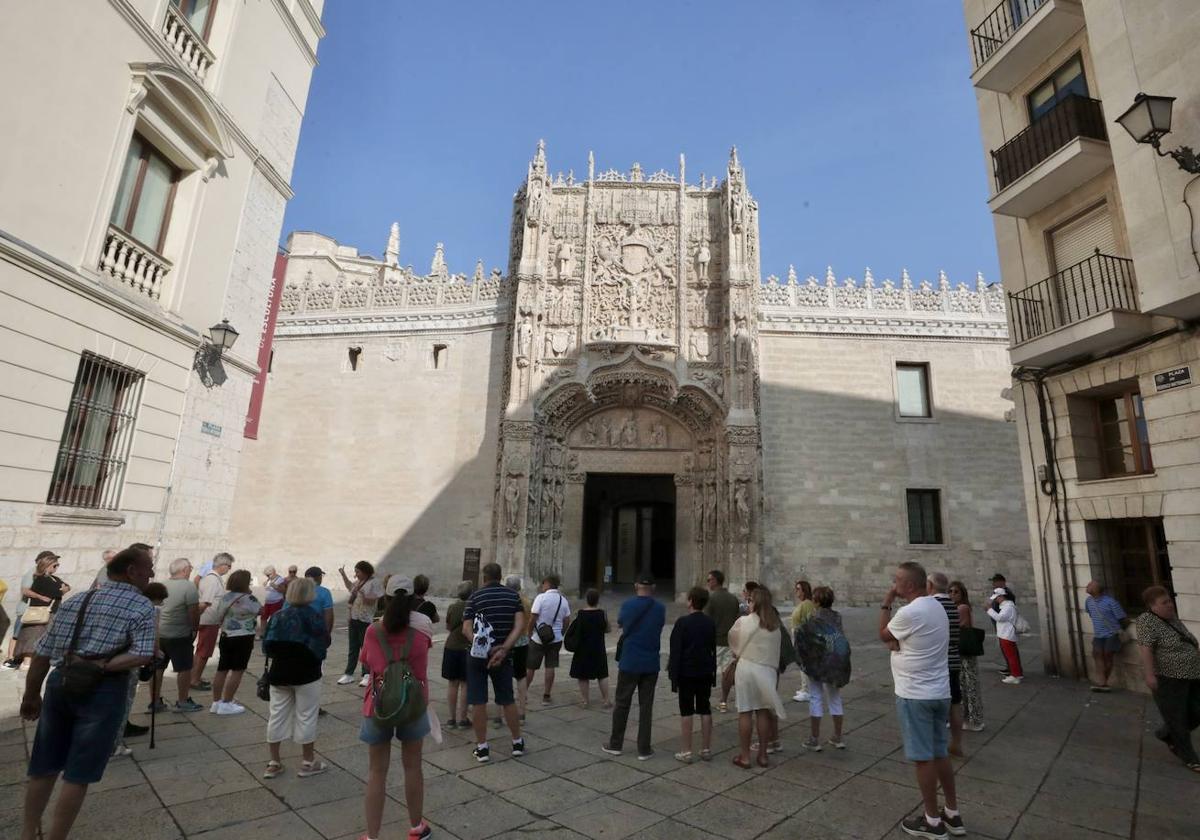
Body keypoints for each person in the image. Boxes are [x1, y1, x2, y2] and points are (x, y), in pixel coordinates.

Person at [20, 545, 155, 840]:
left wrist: (31, 694)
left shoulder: (77, 600)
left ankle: (28, 832)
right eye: (149, 569)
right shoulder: (141, 605)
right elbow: (143, 654)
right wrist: (102, 663)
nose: (152, 574)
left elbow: (43, 652)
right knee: (78, 773)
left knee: (44, 765)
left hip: (61, 681)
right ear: (132, 572)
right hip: (103, 690)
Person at [881, 561, 964, 838]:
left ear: (909, 585)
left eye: (897, 580)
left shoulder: (910, 611)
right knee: (940, 753)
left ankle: (931, 821)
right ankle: (952, 814)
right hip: (939, 692)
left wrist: (886, 603)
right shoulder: (937, 607)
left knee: (923, 759)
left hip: (915, 694)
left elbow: (884, 635)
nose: (894, 584)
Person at [359, 576, 435, 840]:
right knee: (413, 767)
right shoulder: (422, 634)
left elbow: (366, 662)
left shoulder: (373, 631)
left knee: (376, 771)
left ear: (386, 599)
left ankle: (372, 835)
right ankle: (416, 827)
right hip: (413, 705)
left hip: (378, 704)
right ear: (414, 599)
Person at [262, 577, 331, 779]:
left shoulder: (277, 616)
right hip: (307, 673)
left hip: (280, 672)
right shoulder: (314, 617)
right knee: (307, 716)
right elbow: (323, 644)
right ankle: (308, 763)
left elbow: (266, 646)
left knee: (276, 715)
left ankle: (274, 762)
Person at [463, 563, 527, 762]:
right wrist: (504, 648)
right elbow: (519, 625)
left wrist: (485, 647)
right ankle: (517, 742)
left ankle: (482, 748)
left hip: (478, 656)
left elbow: (466, 629)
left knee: (478, 701)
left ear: (484, 577)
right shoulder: (513, 596)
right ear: (500, 577)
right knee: (507, 699)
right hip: (503, 656)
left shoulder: (474, 597)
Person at [1136, 585, 1200, 773]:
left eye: (1169, 600)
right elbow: (1146, 649)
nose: (1170, 605)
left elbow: (1187, 641)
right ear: (1152, 606)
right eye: (1164, 603)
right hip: (1169, 677)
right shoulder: (1147, 621)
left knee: (1197, 711)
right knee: (1177, 717)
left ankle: (1166, 733)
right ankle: (1188, 756)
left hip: (1193, 674)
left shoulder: (1173, 619)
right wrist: (1149, 675)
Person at [604, 575, 666, 759]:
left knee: (622, 703)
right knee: (646, 706)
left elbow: (621, 623)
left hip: (630, 659)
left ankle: (616, 744)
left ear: (636, 586)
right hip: (650, 661)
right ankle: (644, 749)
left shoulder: (628, 605)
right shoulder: (660, 608)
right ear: (653, 587)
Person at [729, 586, 784, 769]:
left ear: (754, 602)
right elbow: (776, 653)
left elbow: (733, 643)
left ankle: (745, 756)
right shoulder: (774, 626)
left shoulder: (743, 621)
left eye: (750, 600)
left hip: (746, 669)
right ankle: (762, 755)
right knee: (763, 712)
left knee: (745, 712)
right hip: (766, 672)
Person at [796, 585, 849, 751]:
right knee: (835, 697)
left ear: (816, 601)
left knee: (816, 697)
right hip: (836, 662)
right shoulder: (837, 617)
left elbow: (804, 639)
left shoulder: (813, 620)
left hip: (818, 663)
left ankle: (814, 739)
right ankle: (838, 737)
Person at [668, 585, 716, 763]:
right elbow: (712, 647)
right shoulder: (709, 622)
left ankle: (687, 751)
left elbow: (676, 650)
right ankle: (705, 749)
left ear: (690, 601)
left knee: (686, 710)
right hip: (704, 670)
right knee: (705, 708)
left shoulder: (683, 623)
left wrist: (674, 675)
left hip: (687, 671)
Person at [210, 569, 262, 714]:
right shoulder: (249, 599)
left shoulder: (226, 597)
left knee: (222, 669)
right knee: (237, 670)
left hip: (226, 636)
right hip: (243, 637)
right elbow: (261, 611)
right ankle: (227, 702)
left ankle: (216, 702)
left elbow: (218, 614)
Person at [155, 558, 202, 713]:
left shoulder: (162, 585)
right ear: (184, 570)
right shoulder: (188, 587)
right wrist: (194, 629)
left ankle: (154, 701)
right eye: (190, 568)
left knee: (158, 668)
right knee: (184, 668)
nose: (191, 571)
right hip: (180, 634)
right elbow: (193, 611)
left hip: (160, 634)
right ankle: (182, 700)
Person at [12, 552, 69, 667]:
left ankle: (31, 662)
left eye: (58, 565)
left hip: (49, 612)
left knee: (41, 637)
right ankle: (26, 662)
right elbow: (56, 592)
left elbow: (67, 586)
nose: (57, 567)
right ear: (47, 566)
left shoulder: (53, 579)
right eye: (55, 565)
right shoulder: (41, 579)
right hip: (38, 612)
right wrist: (61, 590)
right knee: (32, 636)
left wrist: (63, 589)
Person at [928, 572, 963, 756]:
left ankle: (937, 745)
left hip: (937, 662)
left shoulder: (932, 606)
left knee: (935, 704)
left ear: (930, 585)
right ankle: (956, 743)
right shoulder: (954, 605)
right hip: (953, 660)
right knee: (955, 704)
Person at [337, 561, 383, 687]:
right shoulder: (359, 583)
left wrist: (362, 594)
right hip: (354, 618)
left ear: (365, 571)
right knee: (353, 647)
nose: (356, 574)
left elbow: (373, 601)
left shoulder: (374, 583)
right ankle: (349, 673)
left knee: (365, 648)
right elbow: (350, 588)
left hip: (366, 619)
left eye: (358, 571)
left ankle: (367, 674)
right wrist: (343, 575)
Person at [193, 553, 234, 691]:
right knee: (204, 652)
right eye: (228, 566)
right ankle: (195, 679)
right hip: (208, 620)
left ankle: (195, 676)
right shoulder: (212, 580)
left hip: (209, 619)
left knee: (202, 650)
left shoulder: (213, 579)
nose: (229, 569)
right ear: (222, 566)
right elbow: (206, 602)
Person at [528, 574, 570, 705]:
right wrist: (561, 633)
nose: (542, 585)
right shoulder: (563, 600)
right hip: (555, 638)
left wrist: (529, 633)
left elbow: (533, 617)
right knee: (550, 666)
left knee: (530, 667)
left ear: (547, 583)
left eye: (543, 583)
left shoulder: (541, 598)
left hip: (538, 637)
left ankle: (523, 692)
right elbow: (567, 620)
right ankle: (546, 695)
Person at [948, 581, 984, 732]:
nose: (952, 594)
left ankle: (973, 720)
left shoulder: (961, 608)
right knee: (963, 686)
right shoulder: (960, 607)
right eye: (950, 591)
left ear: (962, 593)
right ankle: (967, 719)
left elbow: (957, 626)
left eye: (956, 591)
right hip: (962, 652)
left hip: (963, 652)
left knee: (967, 686)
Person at [703, 569, 740, 713]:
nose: (707, 583)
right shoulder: (733, 598)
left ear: (715, 581)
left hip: (715, 641)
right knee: (727, 673)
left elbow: (706, 621)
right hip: (730, 641)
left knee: (707, 672)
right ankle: (723, 701)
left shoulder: (711, 599)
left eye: (708, 580)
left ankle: (703, 699)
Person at [568, 588, 611, 708]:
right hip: (598, 647)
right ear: (598, 600)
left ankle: (585, 701)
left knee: (582, 675)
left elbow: (575, 630)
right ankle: (606, 700)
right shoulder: (602, 613)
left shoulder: (580, 614)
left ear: (587, 599)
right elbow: (608, 629)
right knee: (602, 674)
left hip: (583, 648)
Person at [1085, 581, 1129, 692]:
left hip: (1112, 634)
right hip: (1098, 634)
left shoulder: (1111, 602)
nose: (1088, 586)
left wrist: (1119, 630)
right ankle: (1102, 682)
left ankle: (1103, 682)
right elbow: (1091, 614)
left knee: (1107, 655)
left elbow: (1123, 619)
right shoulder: (1088, 601)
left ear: (1097, 589)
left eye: (1091, 585)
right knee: (1097, 655)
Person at [442, 580, 473, 728]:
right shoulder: (474, 606)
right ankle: (463, 718)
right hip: (467, 647)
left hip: (452, 646)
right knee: (465, 684)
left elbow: (448, 626)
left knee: (452, 683)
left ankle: (451, 718)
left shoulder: (453, 607)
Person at [3, 556, 42, 669]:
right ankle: (9, 659)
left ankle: (17, 658)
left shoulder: (40, 575)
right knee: (16, 634)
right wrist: (41, 596)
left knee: (26, 636)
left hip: (32, 611)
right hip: (25, 610)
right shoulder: (31, 574)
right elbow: (25, 590)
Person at [987, 588, 1022, 685]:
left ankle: (1015, 676)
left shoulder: (1008, 607)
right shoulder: (1007, 605)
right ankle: (1017, 674)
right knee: (1012, 656)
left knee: (1011, 656)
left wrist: (989, 609)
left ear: (1001, 596)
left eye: (997, 598)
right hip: (1006, 634)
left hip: (1007, 634)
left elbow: (1000, 618)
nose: (996, 600)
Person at [790, 579, 816, 702]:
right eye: (796, 588)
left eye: (798, 589)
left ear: (804, 590)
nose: (796, 591)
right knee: (802, 663)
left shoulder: (807, 604)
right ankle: (804, 688)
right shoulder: (803, 604)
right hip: (798, 635)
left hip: (803, 637)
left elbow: (810, 622)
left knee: (804, 663)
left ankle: (806, 691)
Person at [260, 566, 287, 636]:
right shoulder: (269, 579)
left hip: (276, 602)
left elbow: (283, 590)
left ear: (274, 572)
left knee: (274, 618)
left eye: (269, 575)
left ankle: (274, 633)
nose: (268, 576)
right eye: (266, 575)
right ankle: (262, 633)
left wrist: (275, 586)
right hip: (268, 602)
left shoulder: (280, 579)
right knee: (263, 617)